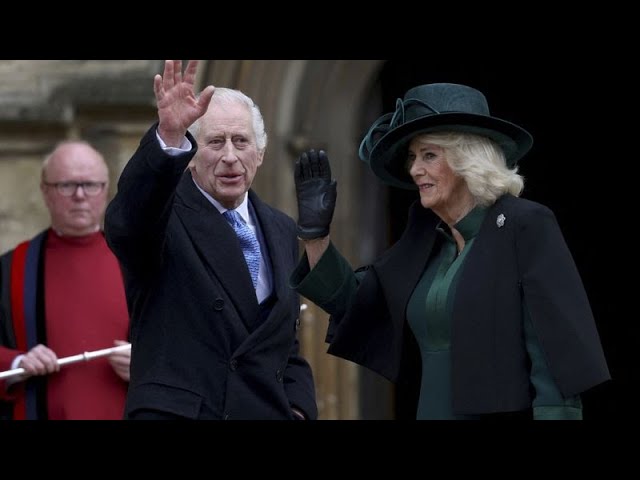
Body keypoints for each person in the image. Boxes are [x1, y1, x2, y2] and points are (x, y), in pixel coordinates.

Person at [290, 82, 611, 419]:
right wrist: (315, 235)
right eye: (413, 157)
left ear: (468, 158)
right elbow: (357, 303)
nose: (414, 169)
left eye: (429, 155)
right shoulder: (427, 237)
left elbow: (553, 356)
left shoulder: (524, 224)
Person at [104, 60, 317, 420]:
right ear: (191, 155)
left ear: (261, 153)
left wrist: (297, 407)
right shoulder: (164, 215)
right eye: (215, 142)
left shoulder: (282, 229)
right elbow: (128, 223)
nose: (230, 157)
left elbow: (283, 342)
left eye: (241, 141)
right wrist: (169, 137)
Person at [0, 141, 131, 420]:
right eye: (66, 185)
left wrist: (148, 365)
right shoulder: (12, 268)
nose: (80, 195)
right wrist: (16, 361)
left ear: (106, 189)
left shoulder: (138, 263)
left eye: (91, 185)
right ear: (45, 191)